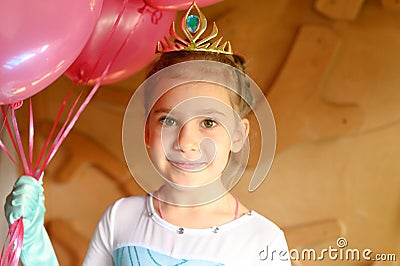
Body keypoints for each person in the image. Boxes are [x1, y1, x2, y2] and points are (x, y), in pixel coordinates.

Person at [4, 2, 291, 265]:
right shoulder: (121, 218)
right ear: (146, 132)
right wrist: (33, 243)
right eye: (168, 121)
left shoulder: (263, 240)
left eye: (208, 122)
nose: (186, 143)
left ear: (239, 135)